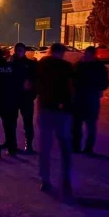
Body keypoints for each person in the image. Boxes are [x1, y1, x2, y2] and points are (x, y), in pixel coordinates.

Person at [36, 43, 74, 198]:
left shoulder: (42, 64)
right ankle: (66, 180)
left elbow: (35, 84)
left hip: (45, 109)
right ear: (63, 52)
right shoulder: (68, 67)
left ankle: (45, 180)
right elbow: (72, 89)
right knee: (65, 147)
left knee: (45, 147)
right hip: (62, 112)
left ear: (51, 51)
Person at [72, 46, 109, 155]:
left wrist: (97, 88)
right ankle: (76, 146)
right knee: (77, 124)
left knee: (90, 125)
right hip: (79, 98)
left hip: (91, 98)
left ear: (93, 55)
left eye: (88, 54)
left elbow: (105, 82)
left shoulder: (99, 67)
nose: (86, 56)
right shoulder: (79, 65)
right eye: (85, 54)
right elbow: (72, 78)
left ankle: (88, 148)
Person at [11, 43, 38, 153]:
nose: (18, 52)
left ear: (24, 51)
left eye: (20, 50)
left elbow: (36, 80)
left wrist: (32, 94)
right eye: (17, 50)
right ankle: (12, 144)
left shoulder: (31, 64)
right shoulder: (11, 64)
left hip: (26, 98)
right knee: (11, 122)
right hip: (14, 97)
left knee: (28, 122)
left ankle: (29, 145)